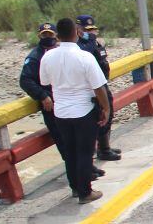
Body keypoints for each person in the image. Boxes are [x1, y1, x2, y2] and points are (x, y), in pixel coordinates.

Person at [39, 18, 110, 204]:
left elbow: (45, 82)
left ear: (58, 35)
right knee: (86, 152)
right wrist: (106, 108)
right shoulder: (85, 57)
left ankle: (75, 189)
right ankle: (86, 192)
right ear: (76, 32)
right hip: (84, 110)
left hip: (61, 112)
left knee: (70, 153)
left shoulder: (47, 57)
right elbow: (99, 87)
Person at [19, 23, 69, 170]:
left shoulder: (62, 52)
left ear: (56, 36)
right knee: (63, 141)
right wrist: (42, 96)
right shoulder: (35, 57)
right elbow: (25, 80)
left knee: (78, 138)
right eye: (44, 34)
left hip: (68, 101)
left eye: (50, 34)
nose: (47, 37)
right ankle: (76, 178)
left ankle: (87, 168)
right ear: (39, 36)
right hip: (51, 105)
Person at [75, 15, 122, 161]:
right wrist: (90, 40)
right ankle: (103, 150)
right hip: (91, 87)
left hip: (101, 83)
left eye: (92, 29)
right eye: (86, 29)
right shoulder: (80, 46)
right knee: (100, 117)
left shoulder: (94, 42)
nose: (91, 32)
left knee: (109, 113)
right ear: (78, 29)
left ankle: (104, 146)